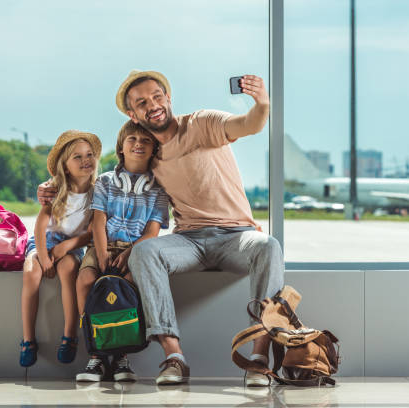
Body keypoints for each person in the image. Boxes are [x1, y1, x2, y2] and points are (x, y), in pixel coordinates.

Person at [39, 70, 284, 386]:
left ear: (168, 98)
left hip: (236, 235)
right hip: (189, 239)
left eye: (157, 96)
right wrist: (49, 188)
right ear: (134, 115)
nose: (152, 104)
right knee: (144, 250)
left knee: (269, 245)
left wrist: (262, 103)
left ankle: (258, 357)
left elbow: (249, 124)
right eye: (142, 102)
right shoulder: (146, 154)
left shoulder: (202, 123)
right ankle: (174, 356)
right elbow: (89, 181)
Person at [75, 120, 170, 382]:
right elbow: (98, 221)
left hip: (136, 250)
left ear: (154, 149)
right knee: (85, 281)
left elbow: (151, 233)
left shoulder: (160, 190)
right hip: (102, 244)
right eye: (132, 139)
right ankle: (95, 354)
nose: (138, 144)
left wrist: (128, 256)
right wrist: (103, 254)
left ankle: (121, 356)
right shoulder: (105, 181)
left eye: (145, 140)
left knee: (127, 289)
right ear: (122, 147)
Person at [20, 130, 101, 368]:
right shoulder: (55, 188)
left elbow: (93, 232)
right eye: (77, 157)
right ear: (65, 167)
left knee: (68, 271)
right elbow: (40, 225)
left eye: (89, 155)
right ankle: (27, 339)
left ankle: (69, 336)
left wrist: (67, 246)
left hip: (73, 243)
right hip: (44, 241)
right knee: (30, 272)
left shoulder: (98, 192)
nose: (85, 160)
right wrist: (44, 257)